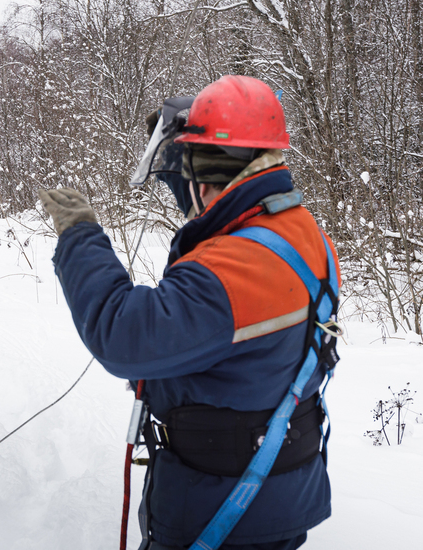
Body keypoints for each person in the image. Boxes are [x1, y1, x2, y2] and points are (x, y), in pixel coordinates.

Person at [38, 75, 341, 550]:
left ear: (206, 171)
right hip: (276, 489)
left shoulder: (235, 270)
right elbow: (236, 335)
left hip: (223, 506)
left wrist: (79, 236)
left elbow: (124, 334)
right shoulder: (298, 231)